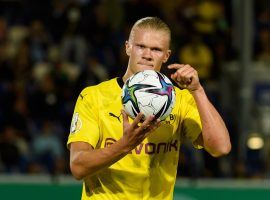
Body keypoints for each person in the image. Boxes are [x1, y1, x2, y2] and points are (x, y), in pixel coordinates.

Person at [67, 17, 231, 200]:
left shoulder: (180, 99)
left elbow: (221, 147)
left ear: (166, 55)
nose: (147, 54)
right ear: (128, 47)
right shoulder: (93, 96)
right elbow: (78, 166)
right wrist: (124, 146)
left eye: (156, 49)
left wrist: (197, 91)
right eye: (141, 46)